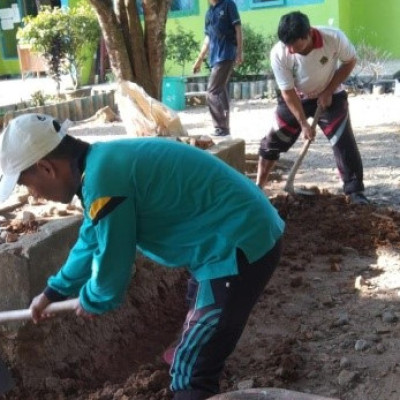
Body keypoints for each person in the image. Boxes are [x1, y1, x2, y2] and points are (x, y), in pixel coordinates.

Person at [0, 113, 284, 400]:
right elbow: (91, 239)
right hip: (233, 237)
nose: (33, 195)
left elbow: (113, 261)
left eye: (26, 184)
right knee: (197, 302)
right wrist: (53, 292)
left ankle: (194, 369)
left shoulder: (104, 181)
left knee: (191, 371)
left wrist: (95, 298)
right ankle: (196, 342)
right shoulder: (101, 165)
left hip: (238, 246)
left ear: (46, 168)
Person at [256, 11, 369, 205]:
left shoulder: (333, 38)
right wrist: (303, 123)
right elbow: (288, 92)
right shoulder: (279, 53)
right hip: (296, 97)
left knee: (343, 141)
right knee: (273, 141)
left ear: (308, 33)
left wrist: (329, 91)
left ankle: (354, 192)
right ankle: (258, 188)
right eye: (287, 45)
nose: (291, 50)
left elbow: (350, 62)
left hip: (330, 93)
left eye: (295, 45)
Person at [192, 0, 243, 137]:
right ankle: (225, 129)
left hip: (226, 53)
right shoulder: (209, 13)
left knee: (212, 92)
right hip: (215, 57)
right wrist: (199, 60)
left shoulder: (228, 4)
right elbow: (208, 38)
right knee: (221, 91)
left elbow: (238, 28)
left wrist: (239, 51)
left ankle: (221, 128)